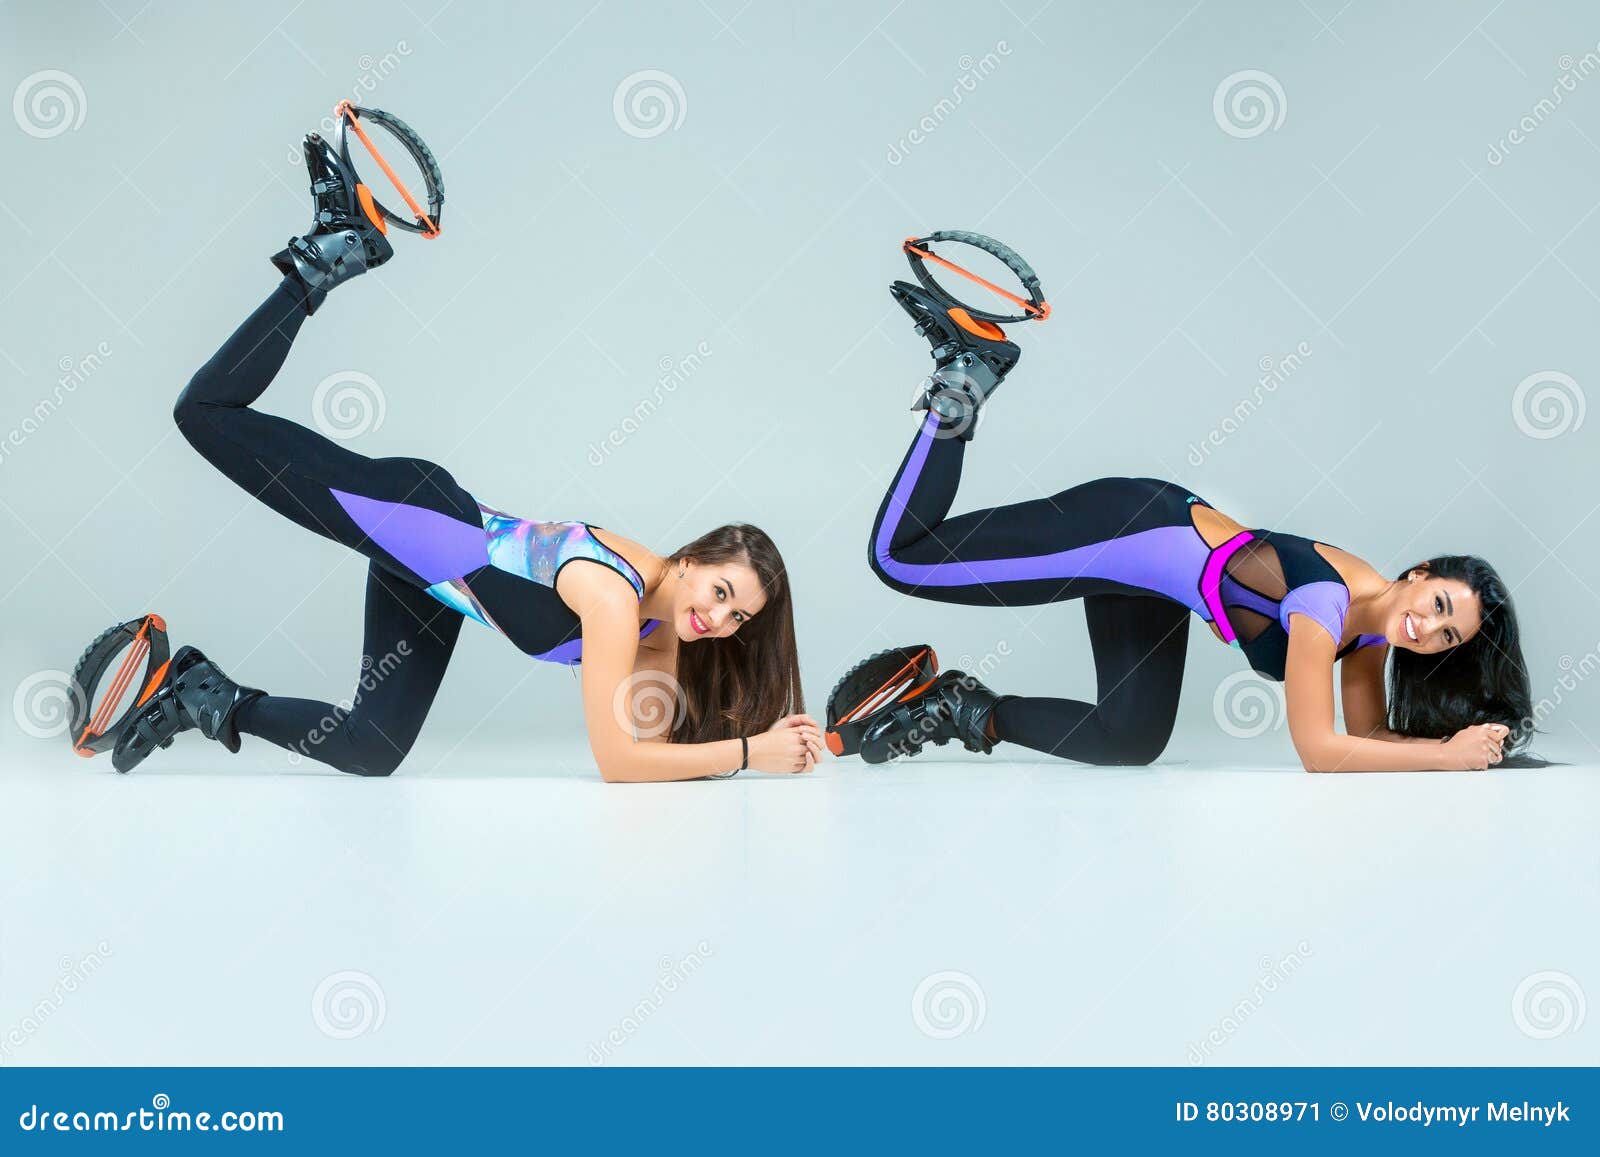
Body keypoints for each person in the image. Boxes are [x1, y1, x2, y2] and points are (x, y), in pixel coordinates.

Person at [114, 129, 821, 781]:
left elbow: (653, 756)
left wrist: (766, 741)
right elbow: (617, 763)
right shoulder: (614, 600)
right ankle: (321, 260)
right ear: (692, 559)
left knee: (372, 746)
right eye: (721, 592)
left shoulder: (658, 635)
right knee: (204, 415)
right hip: (413, 517)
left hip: (437, 578)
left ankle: (201, 695)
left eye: (738, 618)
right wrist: (752, 754)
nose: (718, 620)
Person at [859, 277, 1534, 772]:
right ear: (1419, 575)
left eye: (1448, 635)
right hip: (1130, 527)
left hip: (1157, 580)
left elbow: (1367, 739)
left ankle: (957, 708)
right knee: (901, 558)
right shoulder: (1327, 602)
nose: (1428, 629)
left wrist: (1458, 746)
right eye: (1439, 605)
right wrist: (1445, 758)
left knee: (1129, 738)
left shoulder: (1370, 636)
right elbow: (1320, 751)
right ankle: (963, 380)